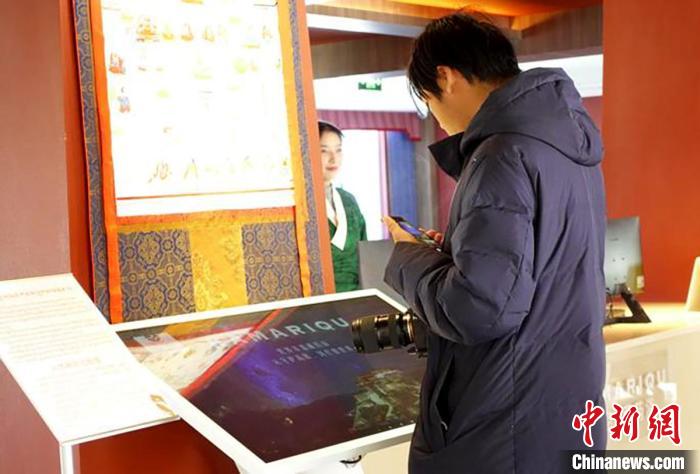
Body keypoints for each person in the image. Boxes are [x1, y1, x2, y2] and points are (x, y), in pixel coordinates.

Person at [382, 13, 606, 473]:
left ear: (446, 77)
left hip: (504, 427)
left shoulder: (501, 155)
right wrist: (454, 256)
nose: (436, 118)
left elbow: (479, 309)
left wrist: (409, 256)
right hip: (562, 409)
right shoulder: (565, 146)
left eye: (428, 101)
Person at [319, 121, 367, 292]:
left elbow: (364, 253)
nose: (334, 158)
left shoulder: (349, 200)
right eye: (324, 151)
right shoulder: (302, 205)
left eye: (338, 150)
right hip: (316, 297)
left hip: (355, 296)